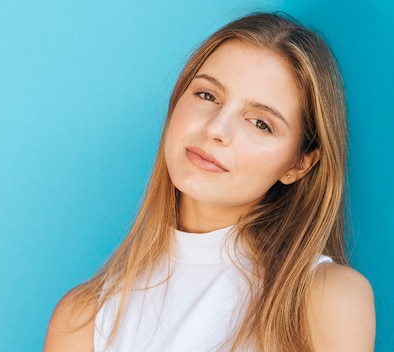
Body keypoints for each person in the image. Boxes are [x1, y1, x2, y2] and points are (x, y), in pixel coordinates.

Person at [44, 12, 375, 352]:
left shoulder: (327, 298)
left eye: (260, 123)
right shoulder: (83, 317)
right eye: (208, 96)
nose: (216, 128)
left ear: (299, 164)